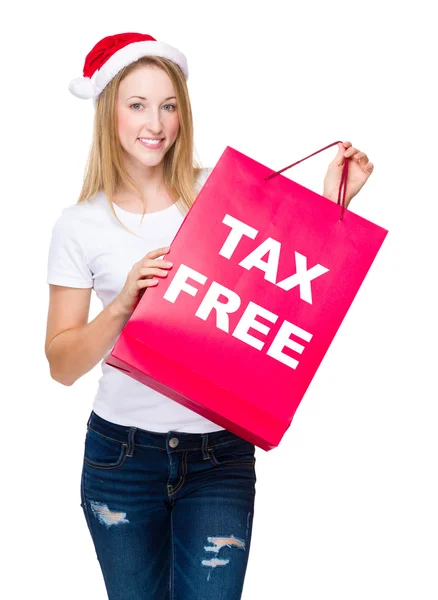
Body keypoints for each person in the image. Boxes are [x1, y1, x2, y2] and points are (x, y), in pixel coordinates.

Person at [45, 32, 373, 600]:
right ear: (109, 113)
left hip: (218, 453)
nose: (156, 122)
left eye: (169, 105)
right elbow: (61, 364)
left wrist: (333, 205)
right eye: (138, 104)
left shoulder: (218, 195)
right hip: (121, 457)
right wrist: (124, 303)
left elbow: (281, 285)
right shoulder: (80, 225)